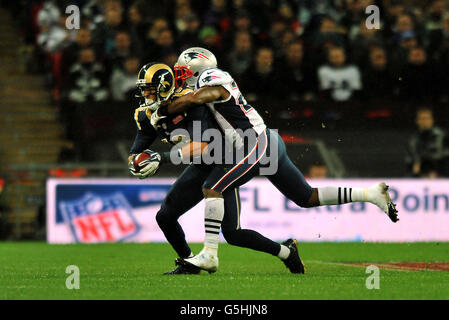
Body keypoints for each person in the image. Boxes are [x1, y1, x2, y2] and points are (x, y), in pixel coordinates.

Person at [148, 47, 399, 273]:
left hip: (253, 141)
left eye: (183, 71)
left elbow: (200, 97)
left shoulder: (210, 78)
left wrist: (163, 110)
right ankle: (369, 194)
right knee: (306, 197)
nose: (180, 77)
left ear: (197, 69)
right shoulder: (203, 83)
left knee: (212, 187)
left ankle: (210, 255)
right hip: (264, 143)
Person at [406, 108, 449, 178]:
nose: (424, 121)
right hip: (419, 176)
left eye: (427, 118)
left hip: (440, 175)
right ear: (417, 121)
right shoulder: (413, 139)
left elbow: (446, 158)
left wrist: (437, 171)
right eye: (422, 118)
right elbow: (410, 159)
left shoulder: (442, 136)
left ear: (432, 120)